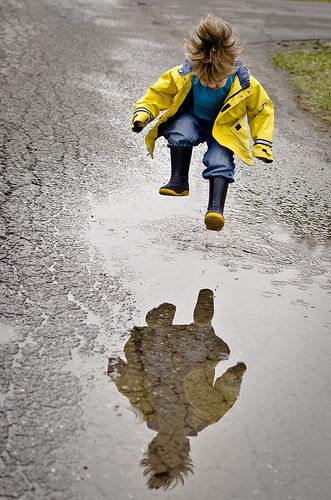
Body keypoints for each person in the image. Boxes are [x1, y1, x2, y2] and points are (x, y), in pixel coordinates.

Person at [132, 14, 274, 231]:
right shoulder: (185, 74)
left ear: (230, 70)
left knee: (221, 161)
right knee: (179, 131)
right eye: (206, 81)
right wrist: (143, 114)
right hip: (195, 119)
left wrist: (262, 142)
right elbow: (158, 93)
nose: (212, 85)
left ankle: (215, 209)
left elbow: (262, 110)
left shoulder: (246, 84)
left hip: (224, 129)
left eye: (217, 82)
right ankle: (179, 181)